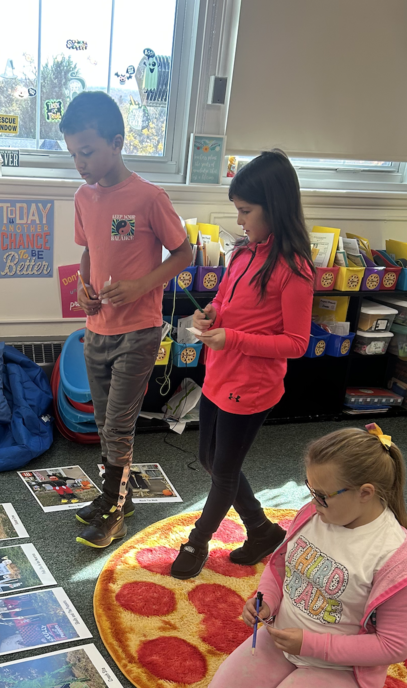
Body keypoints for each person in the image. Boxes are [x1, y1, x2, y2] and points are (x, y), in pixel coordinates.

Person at [206, 423, 407, 688]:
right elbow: (280, 567)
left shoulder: (395, 560)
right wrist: (265, 598)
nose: (313, 501)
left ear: (365, 492)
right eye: (310, 490)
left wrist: (312, 645)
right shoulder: (314, 515)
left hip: (340, 668)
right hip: (283, 639)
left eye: (322, 495)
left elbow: (394, 647)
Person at [170, 150, 315, 579]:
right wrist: (209, 314)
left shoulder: (295, 269)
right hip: (219, 374)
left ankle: (197, 543)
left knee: (224, 470)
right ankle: (261, 530)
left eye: (246, 211)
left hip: (251, 387)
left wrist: (232, 337)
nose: (241, 220)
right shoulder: (243, 253)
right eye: (238, 211)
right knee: (212, 461)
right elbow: (224, 301)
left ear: (275, 207)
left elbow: (297, 343)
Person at [59, 91, 192, 548]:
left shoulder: (150, 197)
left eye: (88, 152)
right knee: (102, 422)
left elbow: (185, 252)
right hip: (97, 330)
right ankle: (118, 494)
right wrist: (81, 284)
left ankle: (114, 510)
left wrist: (141, 286)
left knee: (118, 423)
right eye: (73, 153)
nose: (80, 162)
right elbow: (88, 250)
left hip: (139, 330)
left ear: (116, 142)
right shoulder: (83, 196)